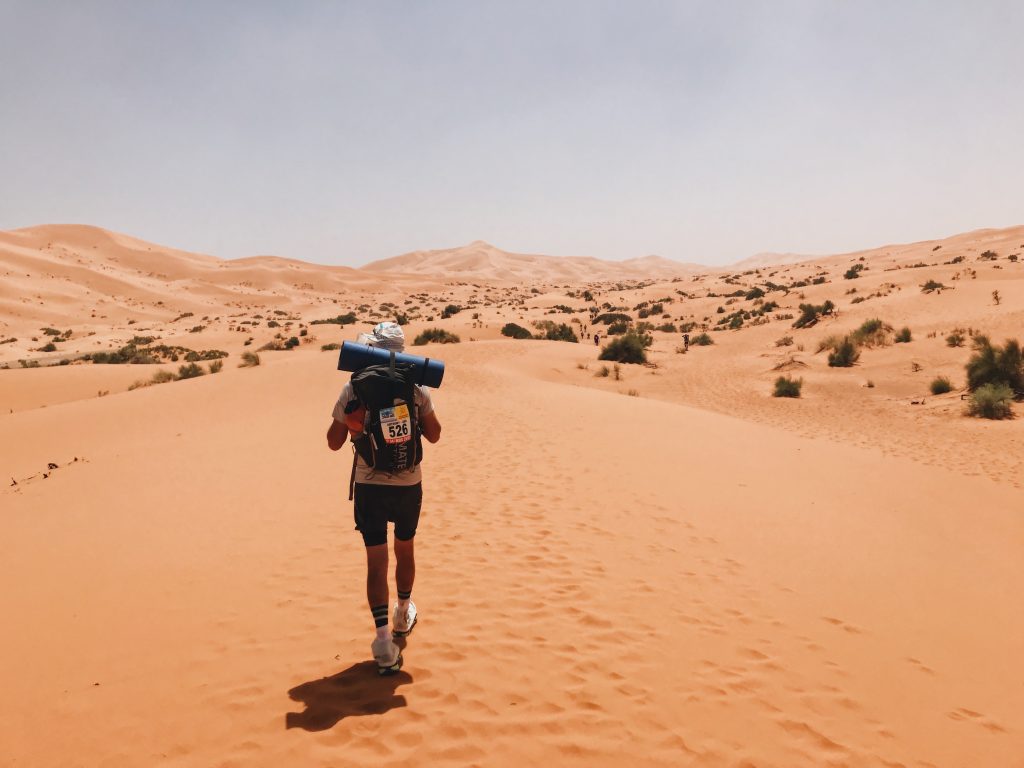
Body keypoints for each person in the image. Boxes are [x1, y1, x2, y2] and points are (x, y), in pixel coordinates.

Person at [326, 322, 443, 675]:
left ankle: (382, 642)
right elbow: (435, 435)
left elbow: (332, 442)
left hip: (369, 485)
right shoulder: (416, 389)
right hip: (408, 484)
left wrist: (353, 425)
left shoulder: (354, 387)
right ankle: (402, 612)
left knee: (376, 562)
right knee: (404, 548)